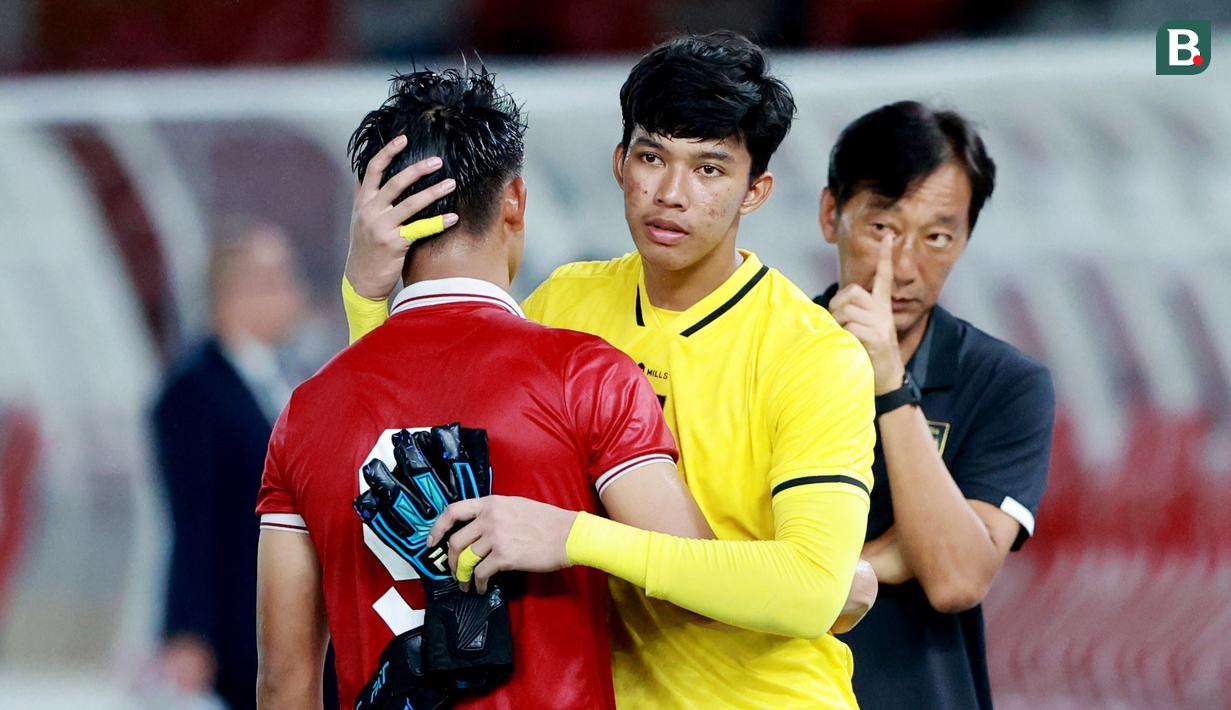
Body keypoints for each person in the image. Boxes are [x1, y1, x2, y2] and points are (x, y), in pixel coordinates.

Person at [343, 33, 878, 708]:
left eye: (709, 169)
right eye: (652, 158)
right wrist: (366, 297)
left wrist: (573, 538)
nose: (672, 194)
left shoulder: (812, 355)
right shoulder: (566, 302)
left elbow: (809, 592)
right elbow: (416, 443)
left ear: (755, 191)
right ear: (621, 163)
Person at [253, 66, 717, 710]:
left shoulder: (305, 414)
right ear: (515, 201)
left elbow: (284, 681)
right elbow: (701, 588)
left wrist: (361, 296)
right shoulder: (585, 373)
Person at [816, 101, 1055, 709]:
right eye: (882, 229)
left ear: (966, 238)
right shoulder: (761, 353)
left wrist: (891, 385)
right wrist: (894, 552)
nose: (904, 267)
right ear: (830, 214)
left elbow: (955, 577)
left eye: (939, 237)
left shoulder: (1006, 383)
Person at [152, 224, 308, 710]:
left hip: (286, 619)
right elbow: (193, 517)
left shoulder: (274, 376)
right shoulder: (193, 390)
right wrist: (188, 631)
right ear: (239, 294)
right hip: (238, 627)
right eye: (280, 279)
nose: (295, 294)